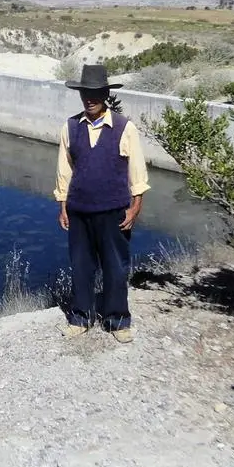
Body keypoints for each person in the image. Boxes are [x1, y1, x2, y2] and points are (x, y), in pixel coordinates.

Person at [53, 63, 150, 343]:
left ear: (106, 93)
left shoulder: (124, 128)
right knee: (81, 266)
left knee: (115, 266)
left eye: (95, 93)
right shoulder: (70, 127)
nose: (90, 98)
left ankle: (117, 320)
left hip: (114, 212)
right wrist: (62, 204)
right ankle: (80, 317)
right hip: (79, 211)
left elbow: (137, 172)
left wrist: (135, 206)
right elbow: (65, 169)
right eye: (85, 92)